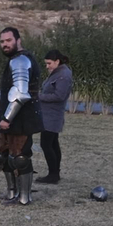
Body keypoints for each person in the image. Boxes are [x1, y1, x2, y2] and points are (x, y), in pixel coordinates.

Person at [0, 26, 43, 206]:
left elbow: (21, 94)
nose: (5, 44)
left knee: (20, 157)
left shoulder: (20, 61)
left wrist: (7, 118)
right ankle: (11, 193)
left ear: (18, 40)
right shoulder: (16, 59)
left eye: (8, 40)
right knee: (3, 155)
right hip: (13, 116)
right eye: (2, 41)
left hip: (21, 117)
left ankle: (24, 198)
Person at [37, 49, 74, 184]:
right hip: (48, 114)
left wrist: (38, 97)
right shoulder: (58, 73)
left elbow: (59, 96)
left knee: (46, 144)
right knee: (52, 144)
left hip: (52, 115)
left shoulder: (63, 75)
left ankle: (53, 174)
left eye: (49, 63)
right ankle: (54, 173)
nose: (47, 66)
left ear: (57, 61)